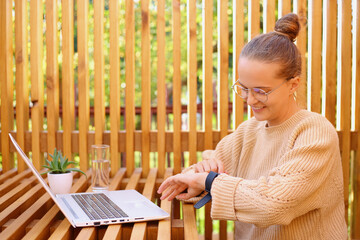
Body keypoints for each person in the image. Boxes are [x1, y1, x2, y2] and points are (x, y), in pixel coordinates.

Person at [157, 13, 347, 239]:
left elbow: (275, 204)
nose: (249, 100)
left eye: (261, 91)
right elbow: (195, 178)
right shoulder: (248, 133)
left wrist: (208, 181)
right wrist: (202, 173)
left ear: (293, 84)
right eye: (244, 88)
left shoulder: (315, 132)